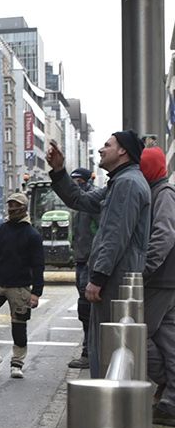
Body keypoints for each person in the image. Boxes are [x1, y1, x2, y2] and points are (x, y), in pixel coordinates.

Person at [51, 134, 152, 370]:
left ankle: (107, 402)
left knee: (108, 347)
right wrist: (58, 171)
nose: (100, 150)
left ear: (123, 152)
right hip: (115, 276)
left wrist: (98, 277)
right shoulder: (118, 182)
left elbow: (114, 235)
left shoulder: (127, 184)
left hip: (116, 279)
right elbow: (80, 200)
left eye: (107, 145)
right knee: (106, 344)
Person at [0, 196, 46, 378]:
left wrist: (36, 292)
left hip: (21, 286)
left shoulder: (33, 235)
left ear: (24, 208)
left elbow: (38, 265)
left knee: (19, 325)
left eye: (16, 206)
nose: (12, 209)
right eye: (10, 205)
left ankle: (17, 363)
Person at [139, 147, 175, 425]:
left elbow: (163, 235)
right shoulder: (160, 192)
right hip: (166, 278)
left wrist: (145, 269)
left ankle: (166, 385)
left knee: (139, 332)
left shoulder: (163, 195)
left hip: (162, 279)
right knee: (166, 337)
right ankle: (169, 398)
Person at [66, 167, 98, 369]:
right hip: (81, 259)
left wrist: (92, 258)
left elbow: (100, 232)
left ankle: (89, 353)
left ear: (86, 181)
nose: (75, 184)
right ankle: (89, 351)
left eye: (78, 181)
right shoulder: (80, 205)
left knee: (88, 308)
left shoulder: (92, 202)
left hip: (89, 261)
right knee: (84, 308)